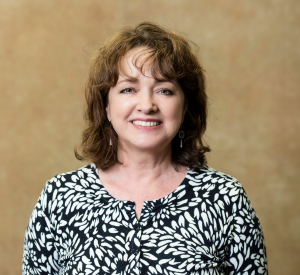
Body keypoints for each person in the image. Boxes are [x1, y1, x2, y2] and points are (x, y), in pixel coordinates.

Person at [22, 22, 268, 275]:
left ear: (185, 107)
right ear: (106, 106)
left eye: (164, 90)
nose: (147, 105)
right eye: (128, 89)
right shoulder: (60, 197)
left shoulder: (226, 198)